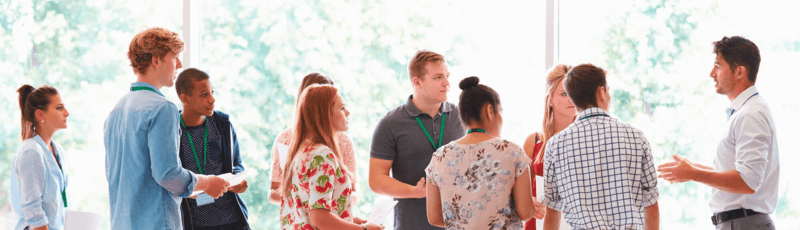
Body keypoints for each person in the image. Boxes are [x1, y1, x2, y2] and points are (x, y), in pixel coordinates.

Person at [104, 27, 229, 230]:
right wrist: (207, 183)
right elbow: (168, 175)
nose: (179, 64)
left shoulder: (115, 111)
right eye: (175, 57)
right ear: (156, 61)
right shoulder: (162, 108)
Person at [657, 36, 779, 230]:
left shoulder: (751, 114)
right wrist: (692, 170)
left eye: (718, 66)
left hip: (743, 225)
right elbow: (740, 173)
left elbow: (748, 181)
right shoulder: (745, 112)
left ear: (739, 72)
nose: (712, 74)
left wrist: (694, 173)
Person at [541, 64, 659, 230]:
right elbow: (651, 208)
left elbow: (552, 215)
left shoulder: (555, 145)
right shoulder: (636, 136)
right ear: (601, 92)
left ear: (573, 98)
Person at [425, 76, 546, 229]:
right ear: (489, 110)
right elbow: (526, 213)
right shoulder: (512, 152)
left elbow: (434, 218)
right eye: (499, 111)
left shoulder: (439, 157)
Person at [369, 50, 466, 230]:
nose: (447, 83)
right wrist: (416, 192)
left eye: (447, 76)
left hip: (459, 225)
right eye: (438, 77)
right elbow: (376, 180)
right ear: (417, 82)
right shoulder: (390, 123)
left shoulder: (462, 116)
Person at [278, 84, 382, 230]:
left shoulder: (303, 151)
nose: (348, 112)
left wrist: (350, 220)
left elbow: (308, 211)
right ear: (326, 114)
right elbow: (320, 218)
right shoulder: (322, 156)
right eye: (342, 108)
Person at [175, 68, 251, 230]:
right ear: (185, 99)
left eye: (212, 92)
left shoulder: (223, 124)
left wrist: (237, 179)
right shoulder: (172, 130)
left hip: (233, 221)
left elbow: (236, 163)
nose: (212, 99)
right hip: (195, 223)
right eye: (204, 94)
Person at [269, 73, 358, 205]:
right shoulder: (286, 140)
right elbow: (274, 191)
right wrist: (307, 199)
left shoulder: (343, 142)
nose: (347, 112)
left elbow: (352, 193)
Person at [522, 64, 576, 230]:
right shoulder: (534, 141)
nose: (571, 98)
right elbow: (519, 193)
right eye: (564, 93)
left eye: (574, 93)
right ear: (550, 99)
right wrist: (528, 202)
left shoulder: (587, 142)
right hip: (537, 223)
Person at [11, 85, 69, 230]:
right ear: (40, 115)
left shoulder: (58, 150)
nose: (67, 113)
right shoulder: (31, 151)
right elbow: (33, 209)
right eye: (59, 108)